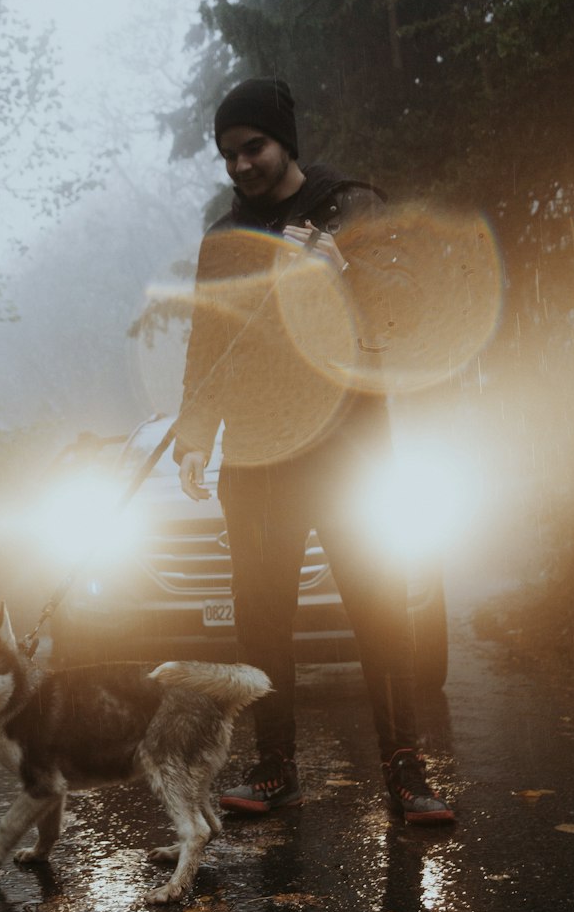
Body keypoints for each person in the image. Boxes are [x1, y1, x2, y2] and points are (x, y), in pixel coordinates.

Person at [174, 77, 454, 824]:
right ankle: (274, 771)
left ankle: (406, 774)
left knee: (379, 606)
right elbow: (207, 344)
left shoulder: (351, 208)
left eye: (253, 147)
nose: (240, 165)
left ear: (284, 141)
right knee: (262, 620)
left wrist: (339, 274)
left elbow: (402, 313)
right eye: (228, 154)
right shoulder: (223, 244)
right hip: (261, 454)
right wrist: (195, 436)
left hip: (349, 448)